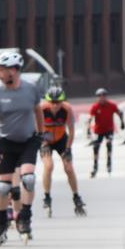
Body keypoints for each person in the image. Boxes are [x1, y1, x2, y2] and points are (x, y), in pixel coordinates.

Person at [0, 51, 44, 244]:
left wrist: (41, 133)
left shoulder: (31, 89)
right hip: (6, 142)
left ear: (13, 70)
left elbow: (38, 111)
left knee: (28, 178)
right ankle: (1, 222)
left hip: (28, 141)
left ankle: (25, 218)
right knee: (3, 187)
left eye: (1, 70)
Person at [39, 86, 85, 217]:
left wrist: (68, 148)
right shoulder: (42, 108)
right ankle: (47, 196)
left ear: (62, 101)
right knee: (49, 166)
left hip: (61, 139)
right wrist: (43, 143)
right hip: (46, 139)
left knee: (69, 168)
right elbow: (36, 128)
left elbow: (71, 130)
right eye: (52, 102)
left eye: (58, 102)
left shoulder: (67, 109)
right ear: (48, 101)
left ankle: (76, 196)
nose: (55, 105)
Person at [88, 88, 124, 178]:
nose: (102, 98)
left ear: (106, 97)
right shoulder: (95, 107)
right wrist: (88, 130)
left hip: (109, 129)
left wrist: (122, 122)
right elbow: (90, 118)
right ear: (97, 97)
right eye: (100, 96)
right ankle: (95, 166)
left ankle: (109, 163)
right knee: (96, 147)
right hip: (98, 130)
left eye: (104, 96)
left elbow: (119, 113)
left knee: (109, 143)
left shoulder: (111, 105)